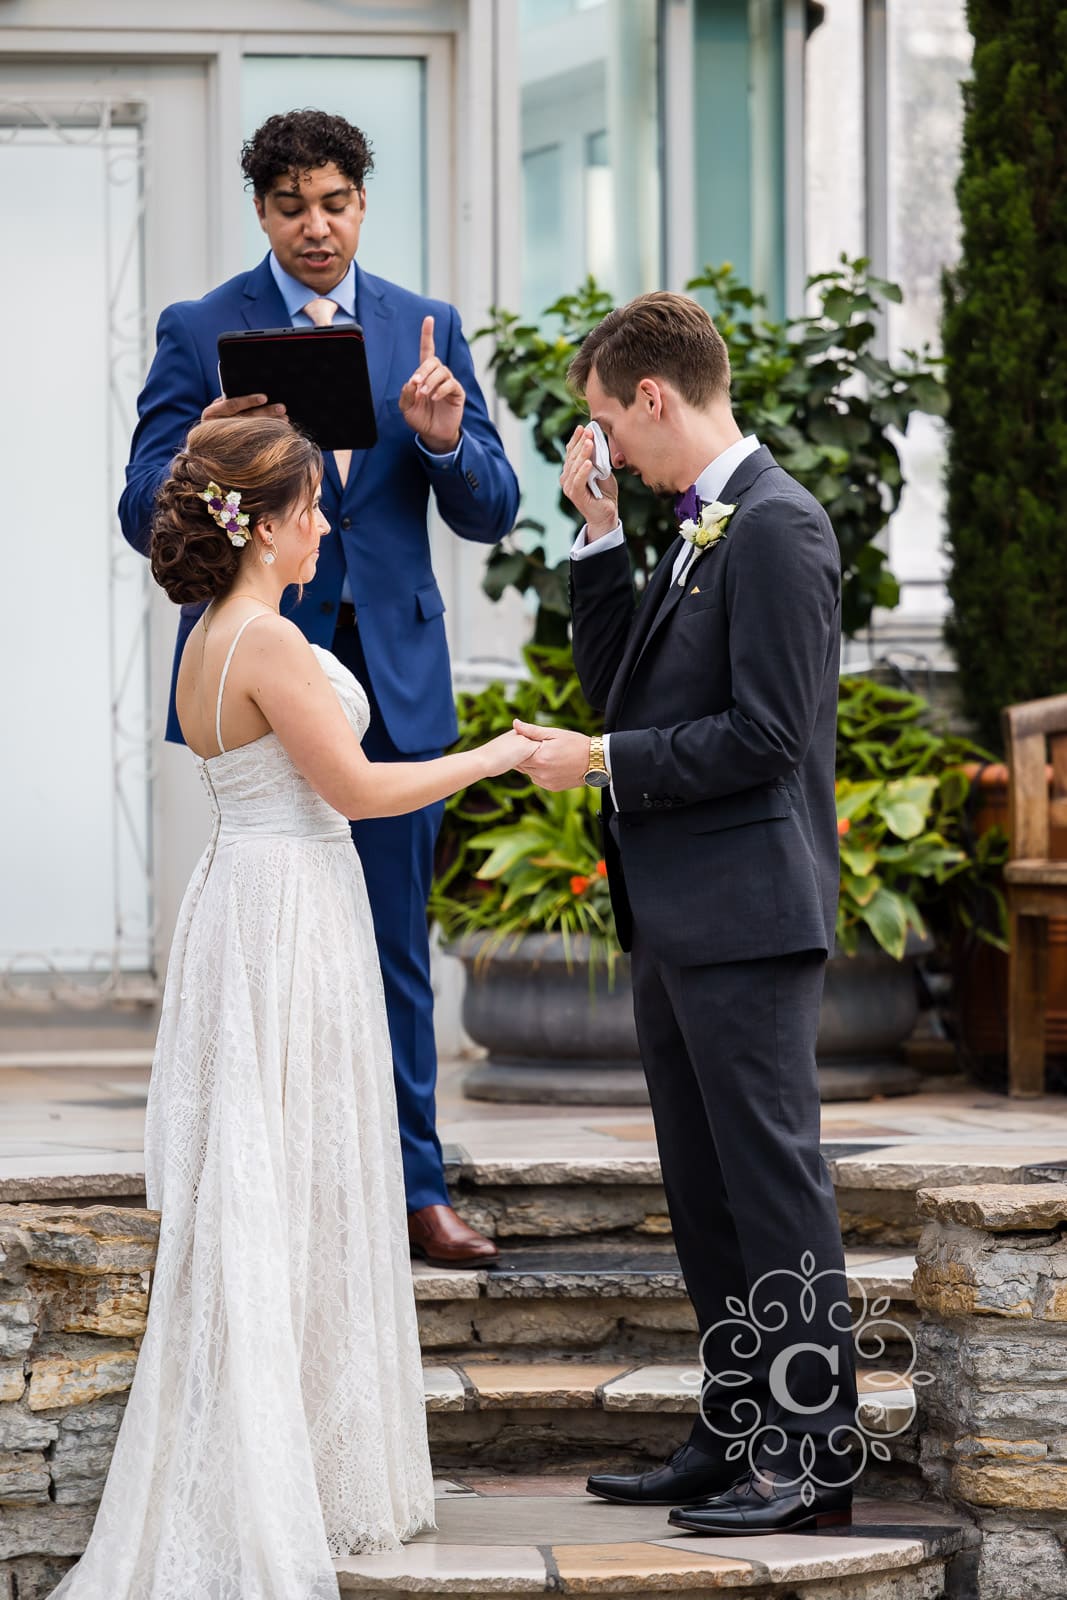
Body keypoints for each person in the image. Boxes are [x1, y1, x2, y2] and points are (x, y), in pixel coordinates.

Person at [52, 416, 535, 1600]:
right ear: (263, 525)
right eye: (313, 507)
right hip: (285, 913)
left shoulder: (216, 635)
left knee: (288, 1174)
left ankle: (311, 1453)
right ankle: (283, 1474)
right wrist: (492, 757)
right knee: (292, 1178)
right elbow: (362, 791)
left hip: (252, 902)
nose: (327, 522)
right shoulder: (261, 639)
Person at [119, 108, 519, 1268]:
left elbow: (491, 510)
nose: (316, 226)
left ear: (362, 200)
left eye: (335, 202)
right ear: (261, 210)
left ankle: (413, 1189)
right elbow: (137, 503)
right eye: (291, 205)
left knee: (393, 945)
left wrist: (445, 440)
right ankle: (277, 1183)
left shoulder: (422, 325)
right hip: (258, 678)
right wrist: (195, 456)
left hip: (390, 681)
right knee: (272, 940)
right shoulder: (201, 328)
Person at [514, 292, 859, 1535]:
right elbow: (625, 688)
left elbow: (766, 738)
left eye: (606, 424)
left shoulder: (774, 528)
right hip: (677, 914)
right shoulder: (690, 521)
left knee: (771, 1186)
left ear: (650, 398)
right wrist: (597, 537)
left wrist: (599, 764)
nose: (602, 446)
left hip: (748, 916)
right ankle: (735, 1430)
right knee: (702, 1186)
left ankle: (811, 1449)